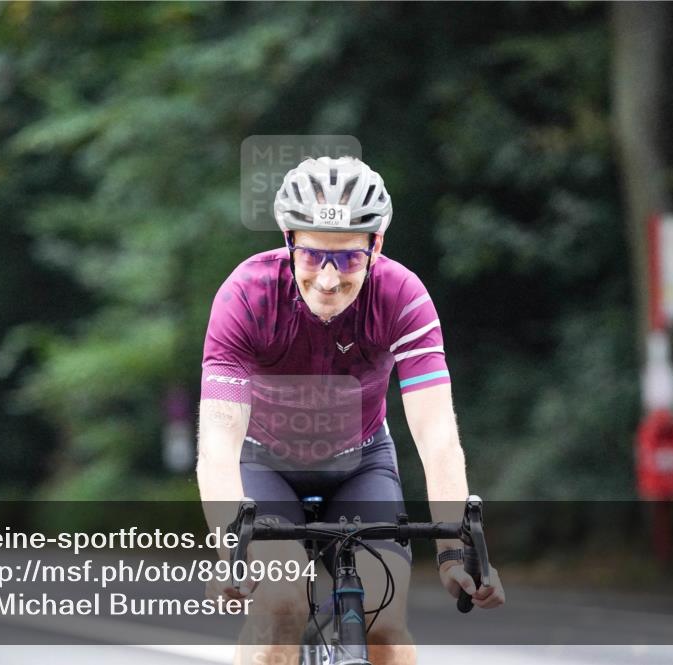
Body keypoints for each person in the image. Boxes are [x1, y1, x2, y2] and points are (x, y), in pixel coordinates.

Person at [196, 156, 505, 665]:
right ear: (288, 238)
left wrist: (454, 553)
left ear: (376, 246)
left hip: (360, 463)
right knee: (282, 608)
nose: (329, 280)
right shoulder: (246, 297)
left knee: (385, 626)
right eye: (314, 256)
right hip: (264, 466)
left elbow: (436, 436)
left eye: (350, 260)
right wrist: (230, 549)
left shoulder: (401, 295)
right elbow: (218, 444)